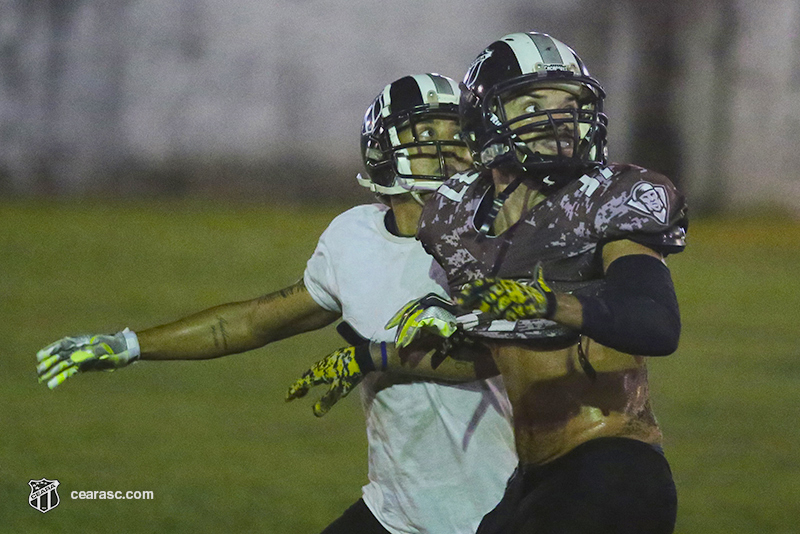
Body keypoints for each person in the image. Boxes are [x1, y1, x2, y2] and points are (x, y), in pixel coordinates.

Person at [36, 73, 517, 534]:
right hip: (395, 512)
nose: (445, 149)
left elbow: (495, 357)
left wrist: (374, 357)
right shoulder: (355, 238)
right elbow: (252, 322)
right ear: (382, 150)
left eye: (457, 135)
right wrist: (129, 345)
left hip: (496, 509)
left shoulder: (506, 235)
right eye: (427, 132)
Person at [391, 33, 687, 534]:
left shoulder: (609, 198)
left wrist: (548, 302)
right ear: (485, 116)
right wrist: (443, 328)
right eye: (533, 103)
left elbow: (656, 323)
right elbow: (502, 352)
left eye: (570, 105)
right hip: (532, 475)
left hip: (613, 469)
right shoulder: (452, 214)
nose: (560, 120)